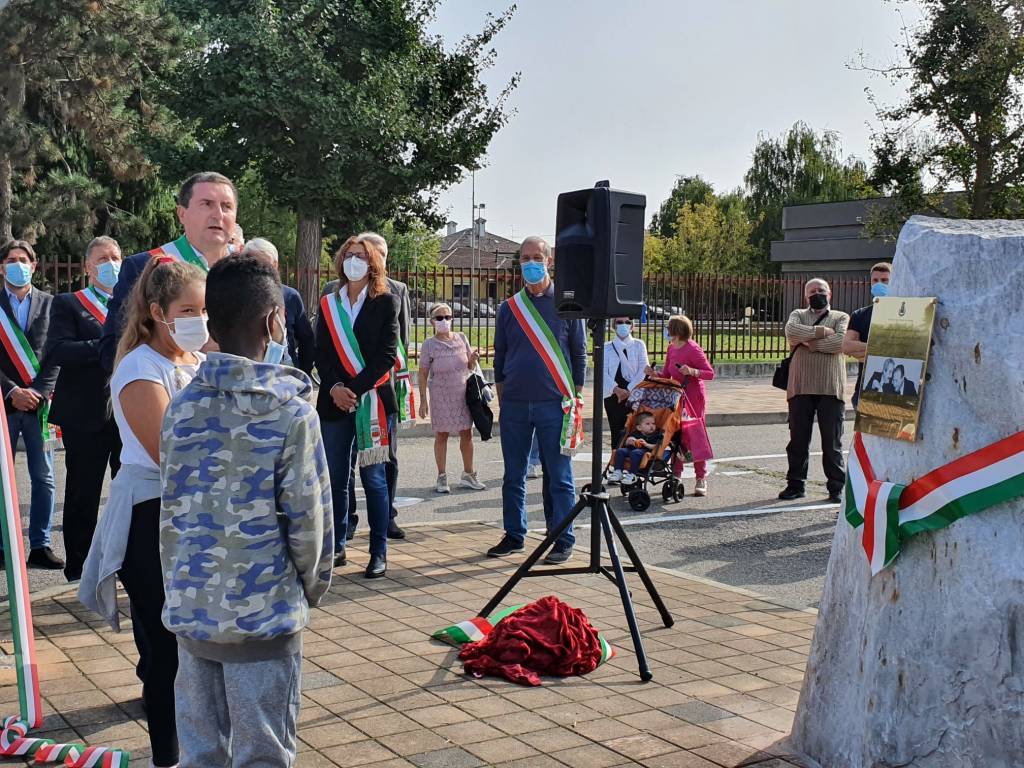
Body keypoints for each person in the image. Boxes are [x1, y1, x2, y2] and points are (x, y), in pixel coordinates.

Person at [160, 254, 332, 768]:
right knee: (263, 756)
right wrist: (311, 589)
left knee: (200, 755)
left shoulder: (182, 405)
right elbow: (310, 522)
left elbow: (173, 512)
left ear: (211, 320)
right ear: (274, 322)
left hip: (193, 616)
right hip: (263, 621)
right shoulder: (291, 413)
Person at [79, 257, 207, 768]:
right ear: (157, 311)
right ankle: (166, 757)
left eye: (205, 309)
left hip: (195, 515)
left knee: (198, 646)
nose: (200, 319)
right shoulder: (139, 367)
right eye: (188, 310)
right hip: (151, 516)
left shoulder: (196, 362)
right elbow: (170, 453)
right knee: (164, 647)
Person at [490, 236, 586, 564]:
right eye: (525, 258)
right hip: (515, 404)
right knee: (513, 475)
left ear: (548, 260)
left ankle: (562, 537)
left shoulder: (567, 304)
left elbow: (579, 354)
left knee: (558, 476)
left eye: (536, 257)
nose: (530, 263)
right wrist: (503, 399)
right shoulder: (509, 308)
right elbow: (500, 356)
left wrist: (575, 395)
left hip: (554, 404)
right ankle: (515, 534)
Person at [315, 235, 399, 578]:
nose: (354, 262)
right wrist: (335, 387)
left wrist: (352, 389)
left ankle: (378, 551)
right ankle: (337, 546)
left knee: (374, 479)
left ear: (373, 264)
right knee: (335, 478)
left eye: (361, 257)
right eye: (349, 256)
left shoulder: (385, 302)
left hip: (372, 401)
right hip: (334, 403)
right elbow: (322, 351)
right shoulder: (329, 303)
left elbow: (387, 356)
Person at [100, 171, 237, 372]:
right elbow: (113, 348)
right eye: (207, 204)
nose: (218, 214)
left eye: (227, 207)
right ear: (182, 214)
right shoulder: (144, 266)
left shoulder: (247, 272)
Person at [45, 236, 123, 581]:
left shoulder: (131, 303)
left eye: (116, 256)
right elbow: (59, 349)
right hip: (85, 415)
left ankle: (125, 563)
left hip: (128, 412)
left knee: (128, 493)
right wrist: (107, 346)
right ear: (88, 267)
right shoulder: (69, 303)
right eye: (103, 258)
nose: (112, 263)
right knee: (82, 495)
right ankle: (79, 568)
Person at [0, 240, 60, 568]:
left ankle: (40, 544)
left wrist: (38, 392)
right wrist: (12, 391)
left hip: (40, 405)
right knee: (1, 477)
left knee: (44, 475)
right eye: (11, 260)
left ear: (34, 266)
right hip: (3, 402)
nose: (17, 264)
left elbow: (56, 352)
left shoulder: (51, 304)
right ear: (1, 267)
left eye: (23, 260)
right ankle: (2, 544)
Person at [779, 278, 849, 504]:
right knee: (797, 440)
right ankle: (795, 485)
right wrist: (822, 331)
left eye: (821, 290)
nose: (817, 294)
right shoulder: (797, 314)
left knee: (832, 443)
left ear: (830, 294)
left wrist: (811, 342)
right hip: (800, 386)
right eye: (812, 291)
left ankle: (837, 488)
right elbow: (791, 332)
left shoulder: (841, 317)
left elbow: (840, 343)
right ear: (805, 296)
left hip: (831, 387)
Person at [417, 302, 486, 493]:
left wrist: (472, 360)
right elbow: (422, 373)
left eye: (448, 317)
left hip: (462, 394)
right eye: (440, 318)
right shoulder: (429, 345)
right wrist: (423, 400)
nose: (444, 321)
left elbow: (469, 367)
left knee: (467, 433)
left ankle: (469, 474)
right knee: (441, 435)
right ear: (432, 322)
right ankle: (442, 476)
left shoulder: (461, 338)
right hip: (440, 395)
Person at [648, 315, 714, 496]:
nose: (666, 332)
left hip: (693, 397)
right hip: (676, 397)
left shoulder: (693, 349)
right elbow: (667, 374)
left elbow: (709, 373)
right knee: (677, 435)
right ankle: (676, 474)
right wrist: (654, 374)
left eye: (668, 328)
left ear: (675, 330)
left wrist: (692, 371)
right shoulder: (671, 348)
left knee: (695, 435)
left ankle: (701, 477)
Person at [242, 238, 315, 375]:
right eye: (252, 263)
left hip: (285, 375)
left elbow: (306, 339)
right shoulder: (235, 296)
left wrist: (302, 372)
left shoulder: (290, 296)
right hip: (245, 374)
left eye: (264, 263)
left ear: (275, 265)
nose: (258, 268)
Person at [842, 262, 892, 407]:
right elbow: (846, 346)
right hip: (865, 389)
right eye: (875, 280)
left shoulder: (904, 313)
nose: (879, 284)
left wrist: (865, 353)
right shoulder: (860, 314)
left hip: (896, 391)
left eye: (884, 280)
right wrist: (884, 350)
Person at [603, 315, 649, 450]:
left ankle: (631, 466)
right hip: (613, 395)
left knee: (634, 431)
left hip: (634, 394)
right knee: (616, 431)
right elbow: (602, 372)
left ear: (632, 326)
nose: (623, 325)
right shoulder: (606, 347)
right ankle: (615, 464)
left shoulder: (639, 344)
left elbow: (643, 369)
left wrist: (628, 390)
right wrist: (617, 390)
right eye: (619, 322)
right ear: (613, 325)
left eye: (627, 322)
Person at [607, 412, 662, 485]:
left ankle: (632, 474)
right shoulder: (636, 433)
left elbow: (656, 446)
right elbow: (628, 440)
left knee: (635, 452)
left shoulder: (655, 435)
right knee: (620, 451)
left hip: (645, 452)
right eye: (647, 424)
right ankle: (618, 471)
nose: (651, 426)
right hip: (631, 449)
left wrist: (646, 444)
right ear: (639, 427)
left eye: (653, 423)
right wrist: (632, 441)